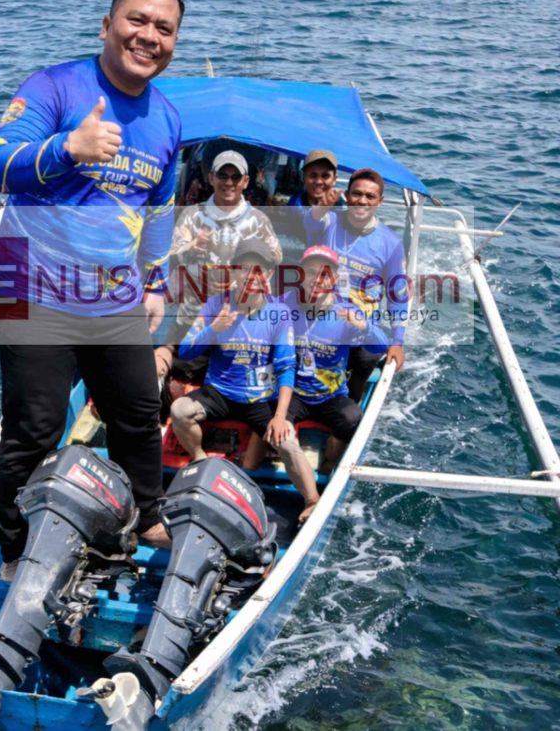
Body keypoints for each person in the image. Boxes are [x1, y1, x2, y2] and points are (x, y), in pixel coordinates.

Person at [0, 0, 185, 576]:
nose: (148, 36)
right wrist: (68, 148)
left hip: (112, 296)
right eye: (136, 21)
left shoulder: (168, 120)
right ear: (107, 25)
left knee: (137, 411)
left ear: (174, 40)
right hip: (33, 289)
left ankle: (146, 513)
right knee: (35, 426)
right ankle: (16, 551)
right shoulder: (54, 86)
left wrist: (152, 283)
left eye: (164, 28)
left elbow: (160, 209)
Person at [169, 238, 320, 523]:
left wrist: (279, 416)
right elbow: (187, 351)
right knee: (179, 411)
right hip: (219, 392)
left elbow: (287, 368)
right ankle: (200, 458)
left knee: (287, 441)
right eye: (244, 268)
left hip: (260, 399)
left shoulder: (279, 314)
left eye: (259, 269)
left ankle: (312, 500)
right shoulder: (216, 304)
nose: (251, 276)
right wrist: (213, 329)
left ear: (270, 275)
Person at [155, 149, 282, 379]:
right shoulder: (193, 215)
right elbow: (171, 256)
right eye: (223, 175)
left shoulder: (258, 220)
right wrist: (192, 247)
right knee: (179, 367)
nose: (229, 182)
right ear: (211, 178)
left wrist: (248, 264)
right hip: (194, 312)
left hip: (237, 315)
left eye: (236, 177)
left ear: (245, 182)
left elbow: (276, 256)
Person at [303, 168, 408, 401]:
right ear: (347, 196)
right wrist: (322, 205)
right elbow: (309, 222)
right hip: (318, 318)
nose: (362, 200)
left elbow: (397, 295)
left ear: (380, 202)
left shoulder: (390, 243)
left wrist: (398, 341)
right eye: (357, 194)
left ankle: (349, 414)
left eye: (370, 196)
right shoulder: (329, 220)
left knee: (369, 358)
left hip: (359, 328)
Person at [284, 245, 389, 468]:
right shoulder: (283, 304)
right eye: (311, 272)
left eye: (324, 274)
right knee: (270, 417)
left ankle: (330, 464)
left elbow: (381, 344)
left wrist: (364, 327)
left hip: (330, 395)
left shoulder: (346, 311)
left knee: (352, 418)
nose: (316, 279)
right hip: (291, 390)